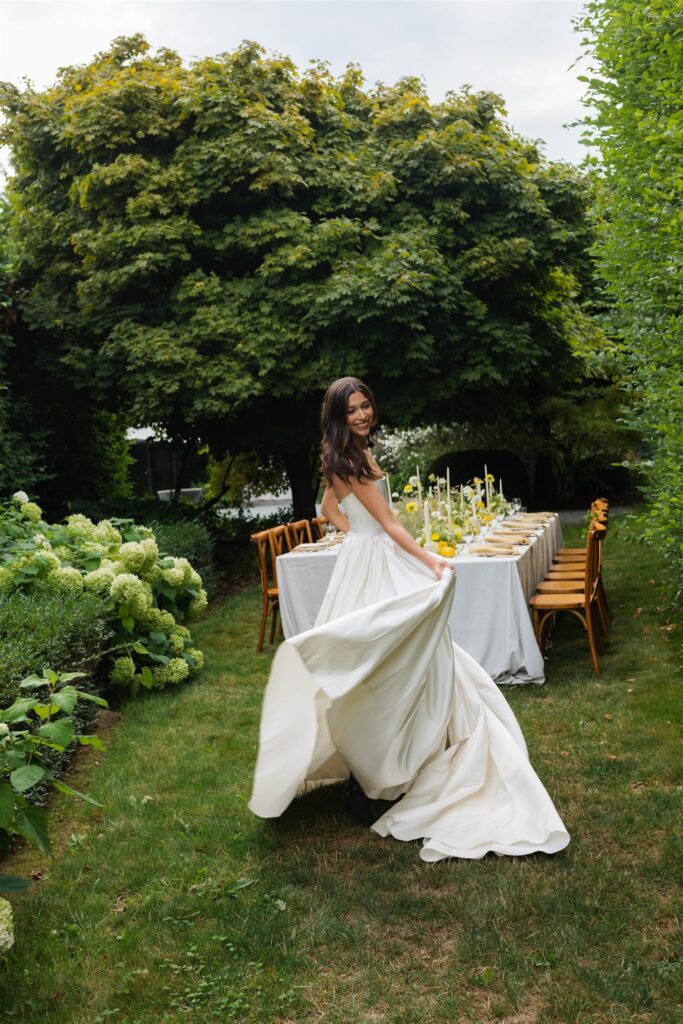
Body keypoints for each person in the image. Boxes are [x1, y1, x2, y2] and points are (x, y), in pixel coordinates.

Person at [249, 377, 569, 861]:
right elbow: (390, 523)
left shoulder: (348, 454)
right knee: (382, 660)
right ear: (337, 416)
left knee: (393, 656)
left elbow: (328, 509)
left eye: (366, 406)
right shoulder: (347, 459)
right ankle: (374, 771)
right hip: (373, 562)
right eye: (352, 410)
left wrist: (356, 532)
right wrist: (429, 559)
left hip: (366, 555)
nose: (362, 415)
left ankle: (393, 761)